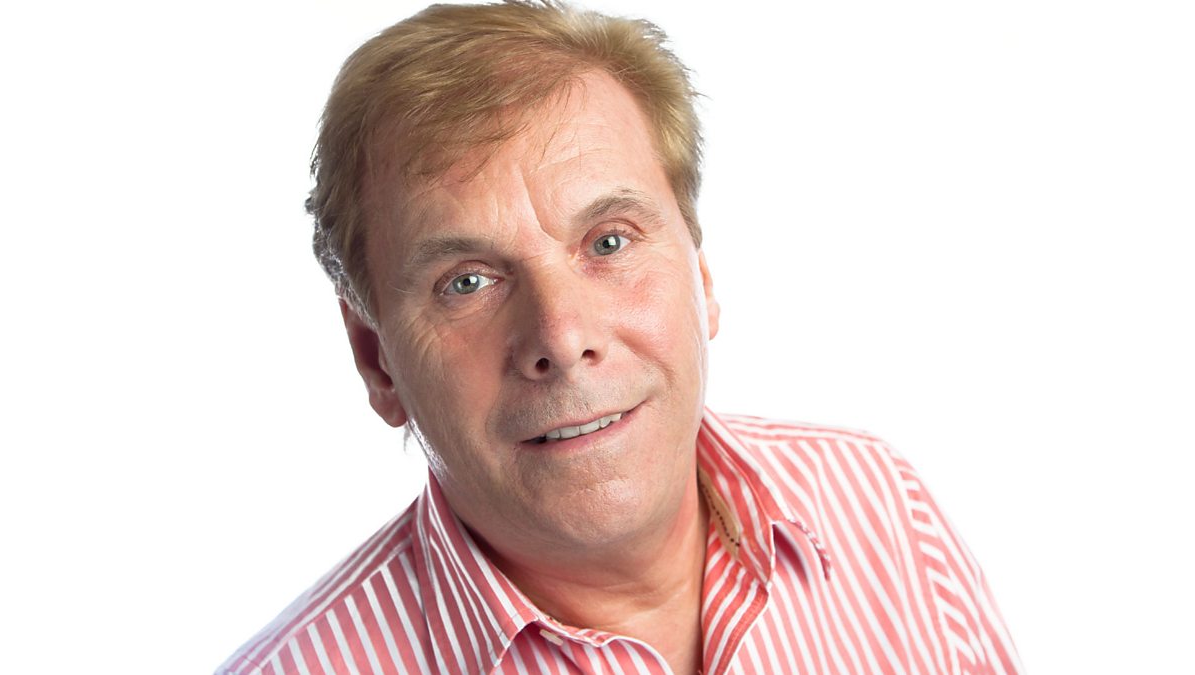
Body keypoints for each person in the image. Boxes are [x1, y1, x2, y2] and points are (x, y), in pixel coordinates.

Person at [218, 2, 1021, 673]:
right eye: (467, 282)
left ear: (701, 273)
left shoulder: (881, 501)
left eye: (609, 241)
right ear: (377, 360)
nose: (562, 336)